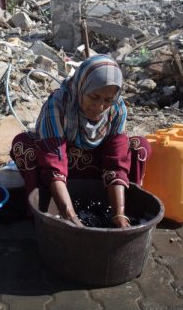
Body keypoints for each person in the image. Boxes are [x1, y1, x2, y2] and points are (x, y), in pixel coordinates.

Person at [10, 54, 150, 228]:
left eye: (107, 100)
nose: (99, 107)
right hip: (63, 169)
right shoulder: (59, 104)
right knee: (23, 145)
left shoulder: (117, 108)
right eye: (94, 97)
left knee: (139, 146)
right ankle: (43, 210)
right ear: (81, 87)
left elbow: (116, 161)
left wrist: (118, 214)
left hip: (98, 168)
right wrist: (71, 216)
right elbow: (54, 161)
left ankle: (127, 209)